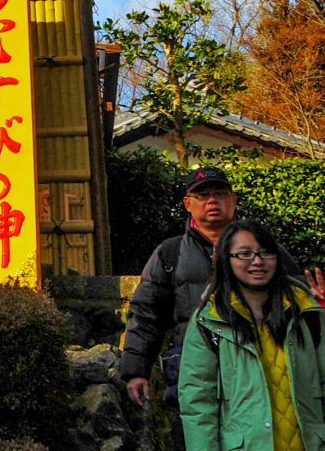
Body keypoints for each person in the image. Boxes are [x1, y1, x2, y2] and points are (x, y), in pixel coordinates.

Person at [122, 166, 311, 445]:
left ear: (233, 200)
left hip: (256, 373)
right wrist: (136, 370)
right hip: (192, 372)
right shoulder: (170, 253)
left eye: (220, 194)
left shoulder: (265, 250)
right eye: (202, 195)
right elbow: (147, 314)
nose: (212, 201)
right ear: (188, 204)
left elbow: (298, 304)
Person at [178, 219, 325, 451]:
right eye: (244, 254)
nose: (258, 261)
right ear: (226, 259)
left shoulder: (307, 314)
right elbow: (197, 403)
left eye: (266, 253)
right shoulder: (210, 321)